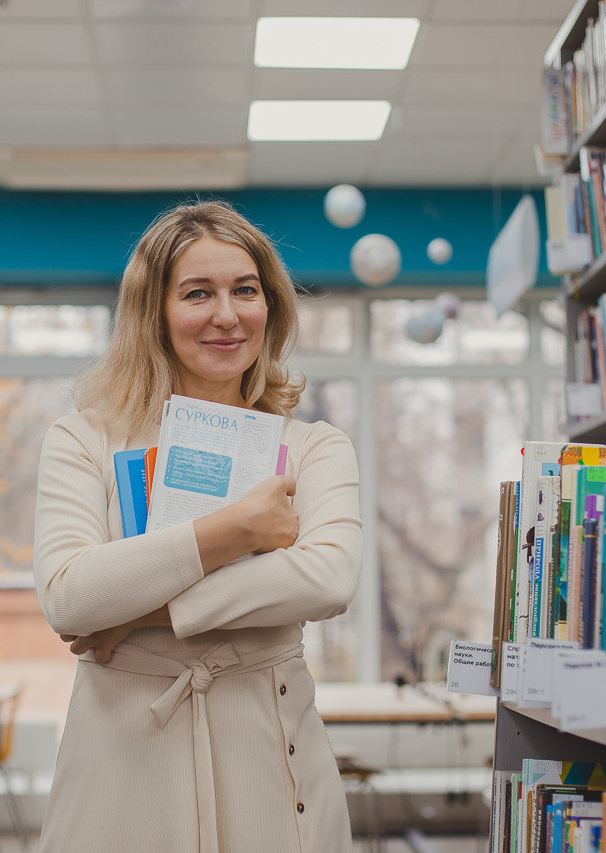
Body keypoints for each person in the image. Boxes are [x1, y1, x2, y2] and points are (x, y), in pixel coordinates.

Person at [33, 199, 362, 852]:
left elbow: (327, 577)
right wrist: (236, 530)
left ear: (270, 305)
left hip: (271, 754)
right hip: (121, 766)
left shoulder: (314, 446)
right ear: (153, 311)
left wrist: (141, 610)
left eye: (246, 290)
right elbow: (69, 594)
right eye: (197, 293)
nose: (227, 314)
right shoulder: (83, 439)